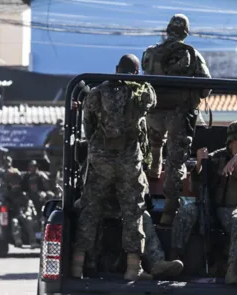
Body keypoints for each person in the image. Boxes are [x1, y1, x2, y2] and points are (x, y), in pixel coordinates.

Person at [73, 54, 177, 281]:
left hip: (100, 160)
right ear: (136, 73)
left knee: (89, 211)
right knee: (134, 212)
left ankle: (77, 266)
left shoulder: (95, 93)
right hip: (129, 161)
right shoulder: (140, 92)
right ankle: (133, 269)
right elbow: (152, 101)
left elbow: (88, 129)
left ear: (116, 68)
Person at [170, 121, 237, 284]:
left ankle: (232, 269)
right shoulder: (216, 158)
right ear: (234, 140)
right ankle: (174, 259)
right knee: (186, 211)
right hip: (213, 209)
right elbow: (194, 186)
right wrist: (199, 164)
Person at [74, 138, 184, 278]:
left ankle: (155, 263)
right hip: (107, 205)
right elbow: (140, 189)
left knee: (140, 215)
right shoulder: (127, 154)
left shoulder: (93, 151)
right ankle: (148, 264)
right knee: (139, 215)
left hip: (105, 205)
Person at [141, 13, 211, 225]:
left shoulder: (150, 53)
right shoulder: (192, 54)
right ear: (185, 33)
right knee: (175, 162)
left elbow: (144, 76)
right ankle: (169, 212)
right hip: (179, 116)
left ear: (167, 30)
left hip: (154, 114)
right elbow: (206, 86)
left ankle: (153, 162)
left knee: (154, 144)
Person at [43, 119, 64, 191]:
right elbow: (45, 144)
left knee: (56, 173)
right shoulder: (65, 131)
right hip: (59, 156)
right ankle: (54, 188)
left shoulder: (53, 131)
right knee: (56, 174)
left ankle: (56, 188)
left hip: (58, 156)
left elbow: (45, 143)